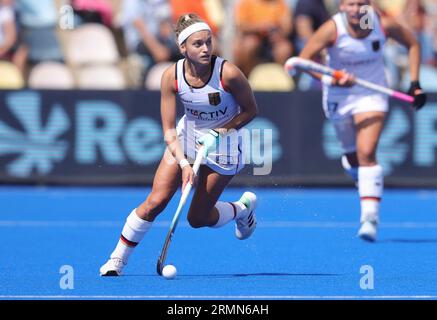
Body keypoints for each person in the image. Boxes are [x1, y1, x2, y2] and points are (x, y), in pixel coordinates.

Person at [100, 13, 259, 276]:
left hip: (224, 147)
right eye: (198, 44)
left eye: (208, 42)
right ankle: (117, 260)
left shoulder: (228, 73)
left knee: (197, 219)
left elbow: (251, 110)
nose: (206, 48)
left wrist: (220, 131)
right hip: (186, 140)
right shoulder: (170, 76)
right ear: (182, 47)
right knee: (156, 201)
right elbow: (168, 131)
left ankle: (242, 210)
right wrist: (185, 164)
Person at [298, 0, 427, 241]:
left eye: (362, 4)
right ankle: (360, 175)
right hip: (339, 96)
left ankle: (369, 218)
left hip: (373, 94)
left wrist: (415, 83)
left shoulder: (383, 24)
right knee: (352, 158)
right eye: (351, 4)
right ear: (342, 7)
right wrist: (332, 77)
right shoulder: (331, 29)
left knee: (366, 152)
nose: (357, 9)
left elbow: (413, 44)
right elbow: (303, 61)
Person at [233, 0, 293, 77]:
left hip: (274, 39)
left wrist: (279, 34)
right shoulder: (246, 2)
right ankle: (246, 79)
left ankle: (283, 81)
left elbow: (287, 26)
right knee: (249, 45)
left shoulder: (280, 3)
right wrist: (260, 27)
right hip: (253, 36)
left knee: (284, 49)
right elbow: (241, 25)